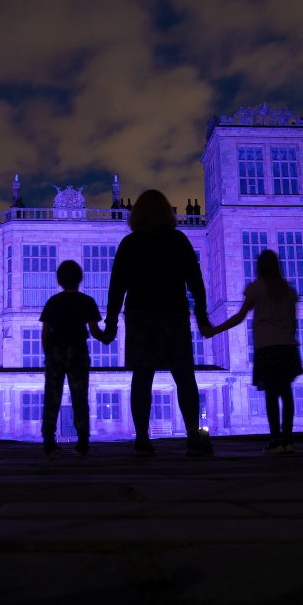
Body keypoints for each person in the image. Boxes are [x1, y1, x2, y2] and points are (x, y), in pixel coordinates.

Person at [105, 189, 214, 457]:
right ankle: (192, 435)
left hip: (140, 315)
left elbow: (116, 287)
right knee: (184, 376)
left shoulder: (130, 244)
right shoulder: (178, 240)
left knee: (142, 377)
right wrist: (202, 316)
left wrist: (110, 325)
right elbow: (196, 283)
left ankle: (142, 437)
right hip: (172, 313)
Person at [207, 249, 303, 454]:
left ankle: (275, 439)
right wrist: (290, 340)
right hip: (286, 347)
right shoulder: (286, 289)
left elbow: (240, 317)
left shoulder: (256, 288)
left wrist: (216, 330)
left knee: (271, 395)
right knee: (286, 393)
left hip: (266, 347)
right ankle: (288, 439)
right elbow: (293, 322)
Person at [39, 260, 111, 458]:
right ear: (80, 279)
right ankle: (82, 443)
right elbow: (95, 331)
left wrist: (48, 355)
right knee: (79, 397)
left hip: (56, 352)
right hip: (78, 352)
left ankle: (48, 442)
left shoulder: (53, 302)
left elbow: (45, 333)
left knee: (52, 398)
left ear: (60, 280)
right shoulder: (86, 301)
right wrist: (108, 337)